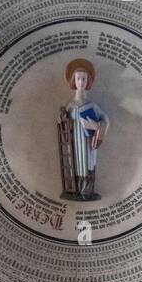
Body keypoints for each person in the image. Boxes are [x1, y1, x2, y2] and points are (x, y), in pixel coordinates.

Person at [58, 59, 108, 200]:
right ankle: (75, 190)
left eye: (84, 79)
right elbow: (63, 121)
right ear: (74, 81)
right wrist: (61, 120)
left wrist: (96, 127)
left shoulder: (92, 105)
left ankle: (87, 192)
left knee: (88, 164)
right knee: (76, 164)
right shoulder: (70, 105)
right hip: (75, 143)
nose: (81, 82)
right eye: (78, 79)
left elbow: (105, 120)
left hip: (88, 142)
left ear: (88, 81)